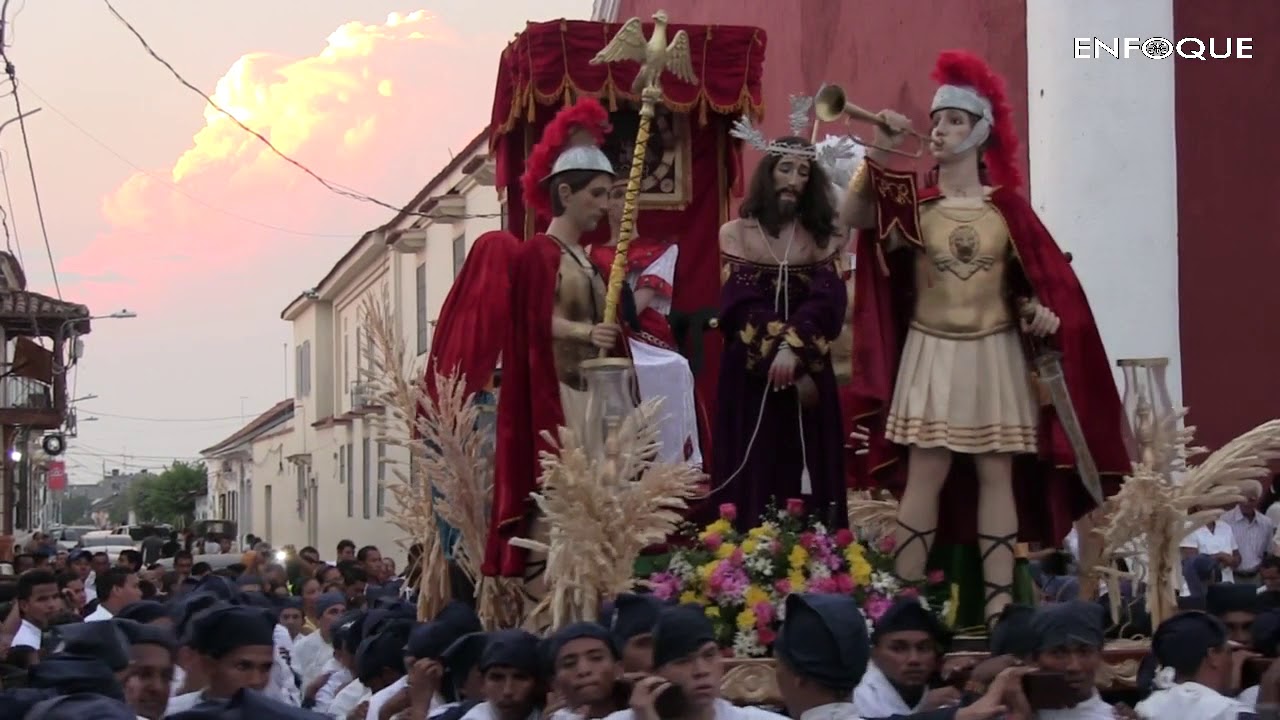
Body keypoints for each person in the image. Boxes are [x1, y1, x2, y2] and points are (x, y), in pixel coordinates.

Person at [842, 50, 1129, 623]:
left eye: (954, 120)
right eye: (936, 120)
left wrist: (1041, 313)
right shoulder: (914, 206)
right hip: (930, 347)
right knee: (926, 471)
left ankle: (1001, 607)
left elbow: (1041, 285)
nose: (940, 129)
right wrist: (878, 149)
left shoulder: (1007, 212)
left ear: (980, 132)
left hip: (995, 350)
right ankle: (904, 604)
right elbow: (854, 216)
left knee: (997, 472)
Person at [483, 97, 622, 582]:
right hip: (557, 392)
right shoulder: (539, 254)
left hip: (592, 392)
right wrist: (587, 331)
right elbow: (533, 322)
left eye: (609, 194)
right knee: (556, 494)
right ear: (565, 192)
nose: (605, 206)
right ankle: (546, 589)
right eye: (597, 194)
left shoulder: (588, 259)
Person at [715, 105, 849, 530]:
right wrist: (777, 349)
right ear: (768, 173)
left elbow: (829, 301)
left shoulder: (823, 238)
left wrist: (794, 350)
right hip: (752, 374)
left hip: (807, 370)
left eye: (803, 172)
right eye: (785, 169)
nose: (793, 180)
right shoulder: (736, 233)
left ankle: (817, 553)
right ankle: (741, 555)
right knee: (753, 471)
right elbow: (739, 303)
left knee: (808, 473)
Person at [590, 133, 703, 467]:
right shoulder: (590, 253)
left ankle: (671, 466)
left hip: (643, 338)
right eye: (615, 195)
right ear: (605, 205)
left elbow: (637, 306)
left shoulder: (662, 251)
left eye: (630, 194)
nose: (624, 202)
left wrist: (617, 311)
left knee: (674, 368)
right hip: (603, 336)